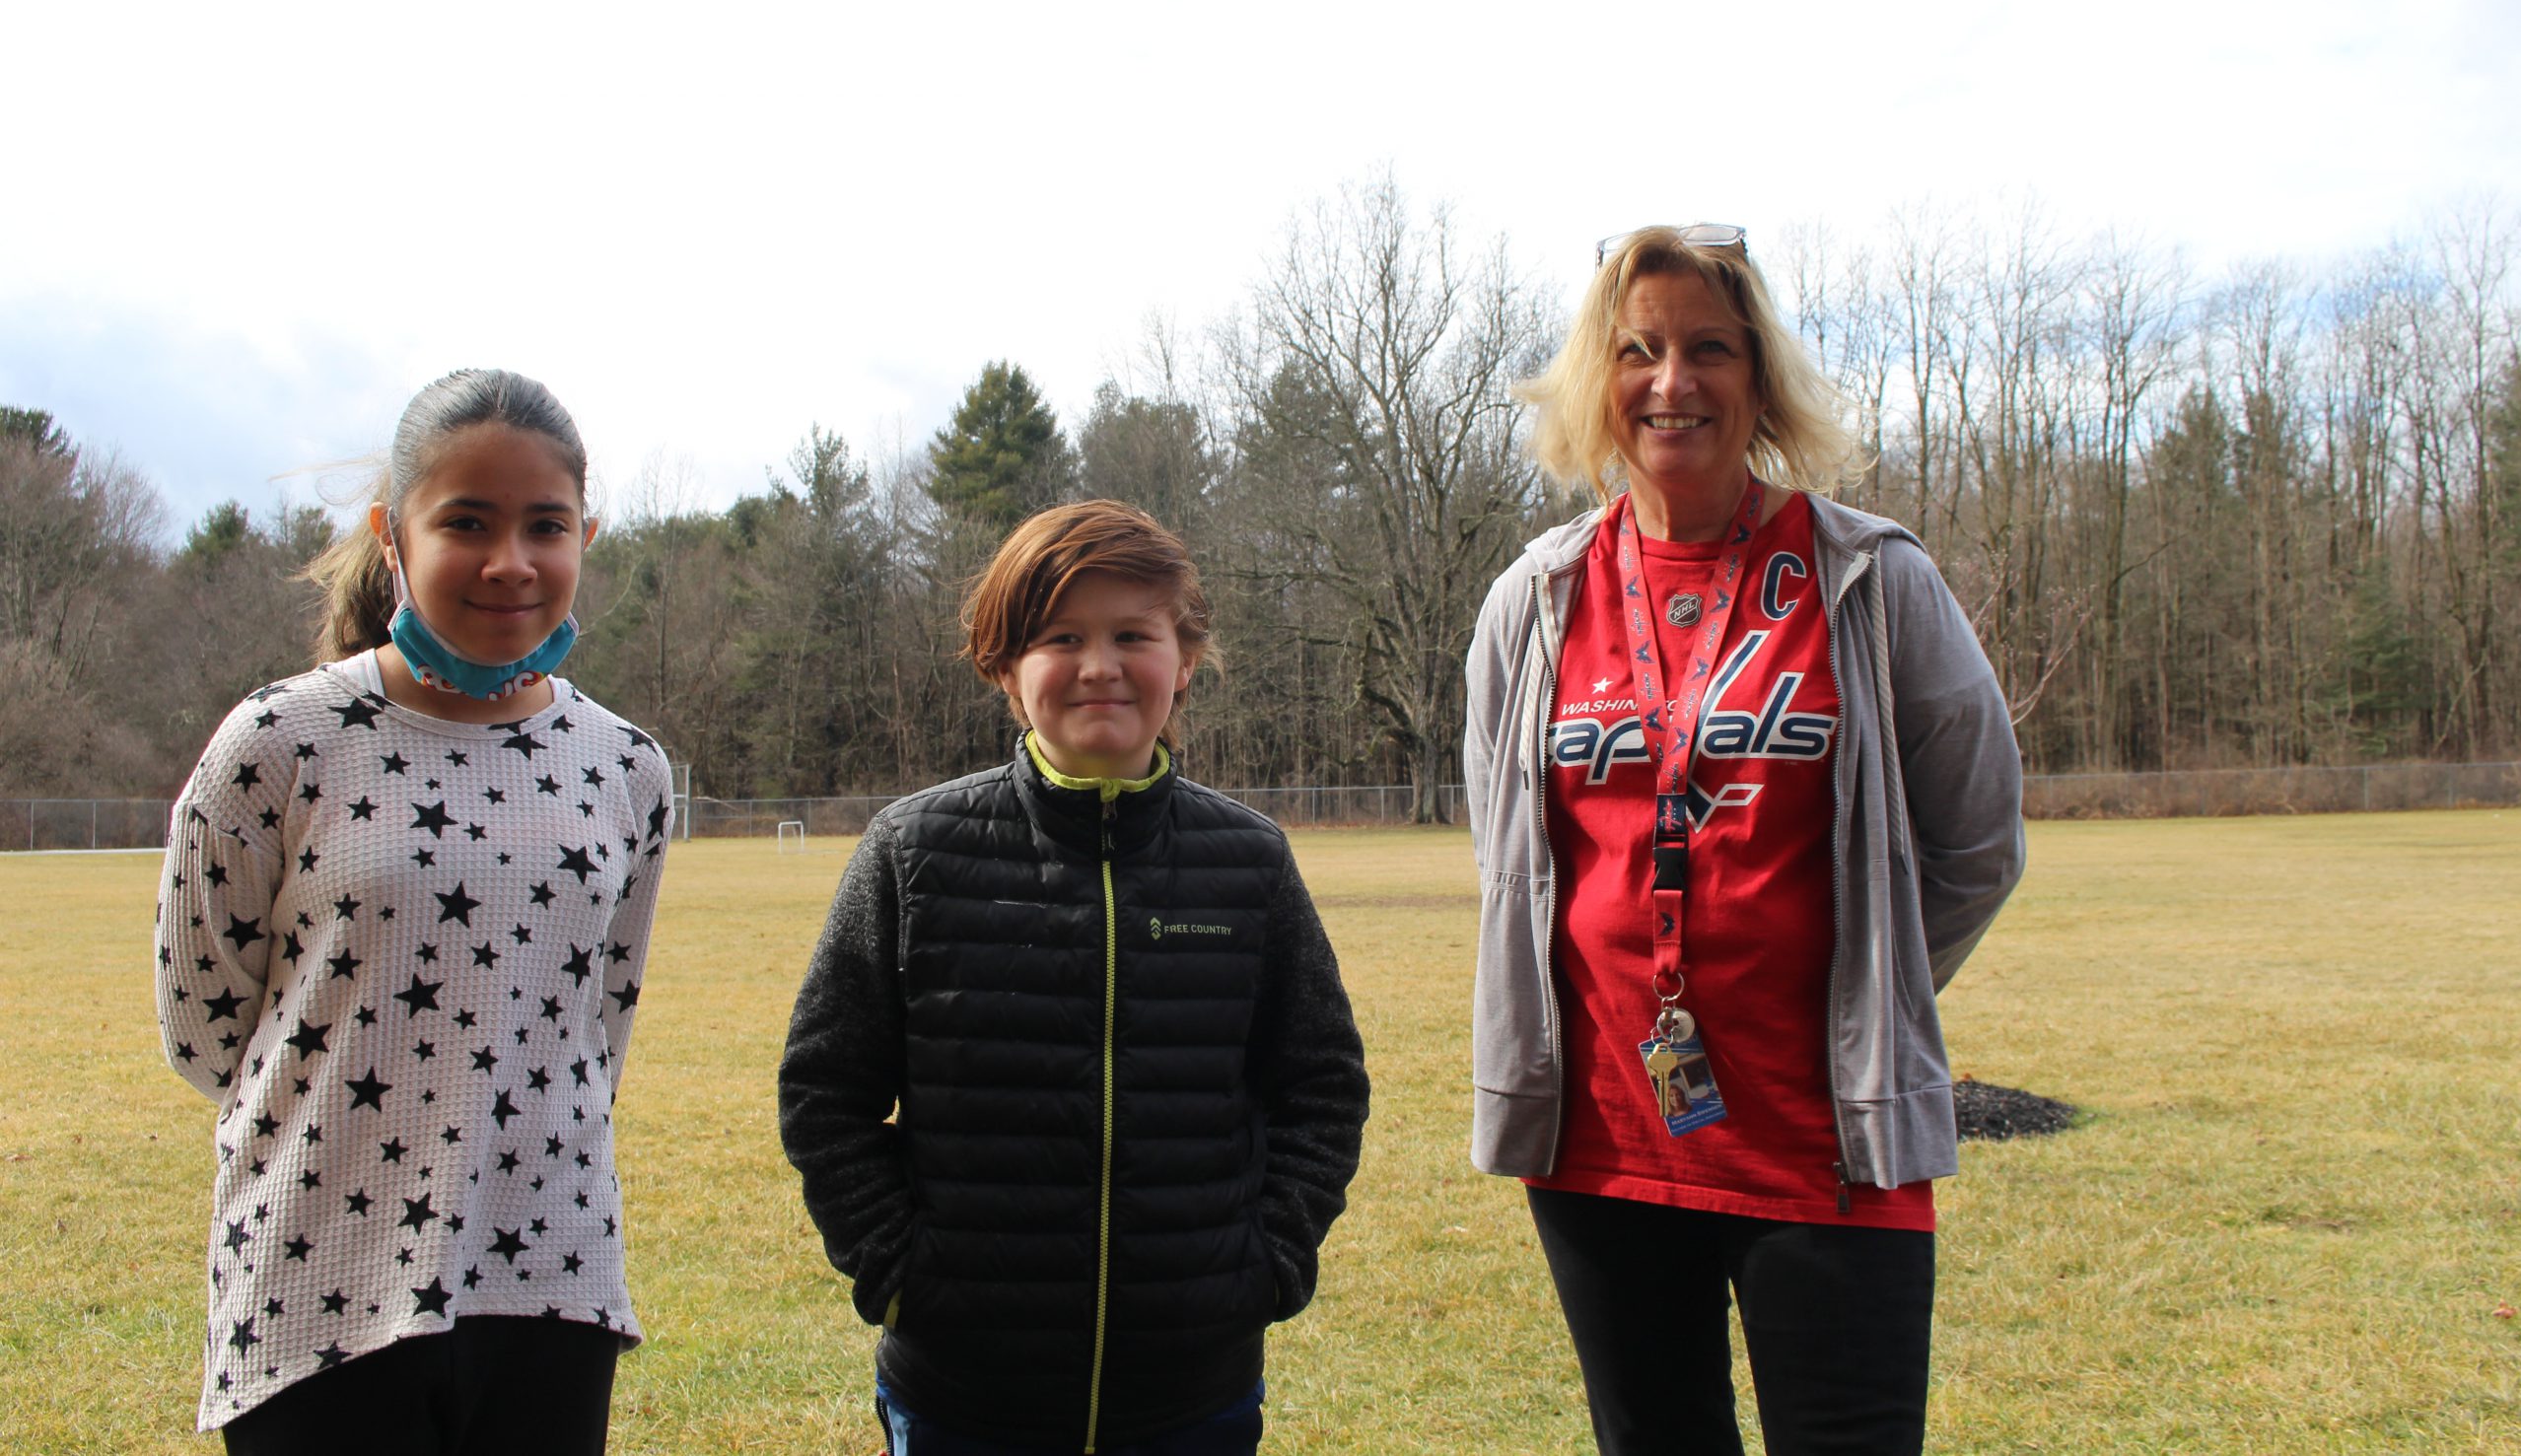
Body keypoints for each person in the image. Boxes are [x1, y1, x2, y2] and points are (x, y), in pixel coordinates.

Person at [1463, 226, 2025, 1456]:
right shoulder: (1536, 600)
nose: (1673, 382)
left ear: (1759, 378)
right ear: (1594, 383)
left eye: (1708, 348)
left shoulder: (1868, 578)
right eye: (1638, 350)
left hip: (1824, 1142)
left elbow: (1977, 838)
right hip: (1605, 1146)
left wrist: (1867, 995)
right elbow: (1510, 858)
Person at [780, 499, 1368, 1456]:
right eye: (1062, 635)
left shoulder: (1249, 862)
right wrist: (898, 1273)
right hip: (964, 1397)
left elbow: (1321, 1085)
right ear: (1007, 669)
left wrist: (1267, 1264)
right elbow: (825, 1091)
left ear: (1183, 660)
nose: (1100, 664)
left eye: (1132, 633)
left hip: (1191, 1392)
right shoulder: (910, 852)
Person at [154, 370, 673, 1454]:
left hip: (546, 1275)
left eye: (545, 525)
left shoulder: (625, 769)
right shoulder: (278, 745)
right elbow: (206, 1028)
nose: (510, 561)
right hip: (320, 1285)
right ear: (394, 533)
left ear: (587, 532)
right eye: (467, 522)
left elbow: (595, 1025)